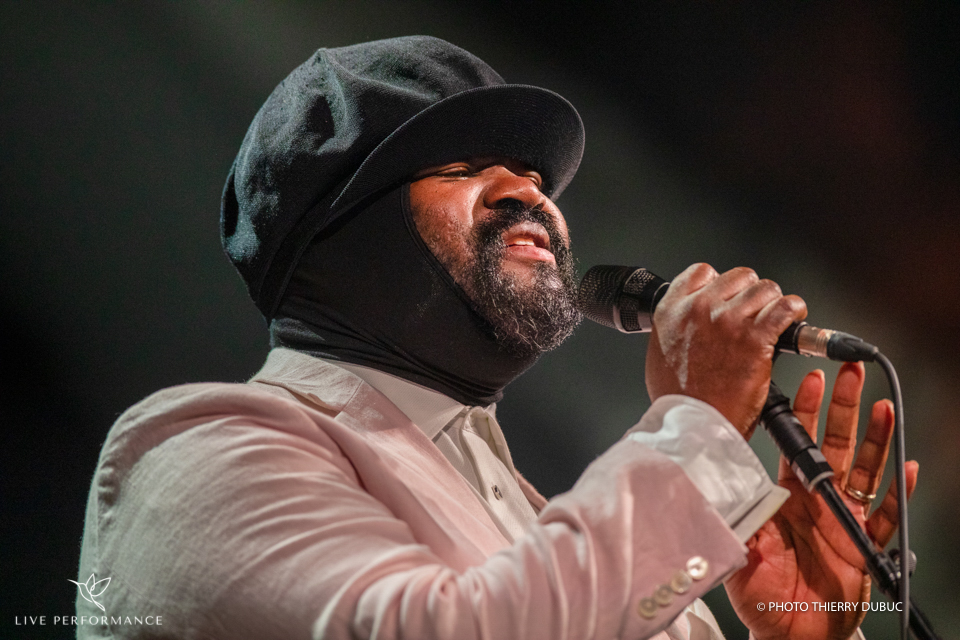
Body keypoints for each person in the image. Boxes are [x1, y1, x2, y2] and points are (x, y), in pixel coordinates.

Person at [76, 36, 918, 639]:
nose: (530, 191)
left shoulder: (549, 529)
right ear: (344, 231)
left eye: (534, 174)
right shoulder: (194, 454)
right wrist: (694, 427)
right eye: (461, 165)